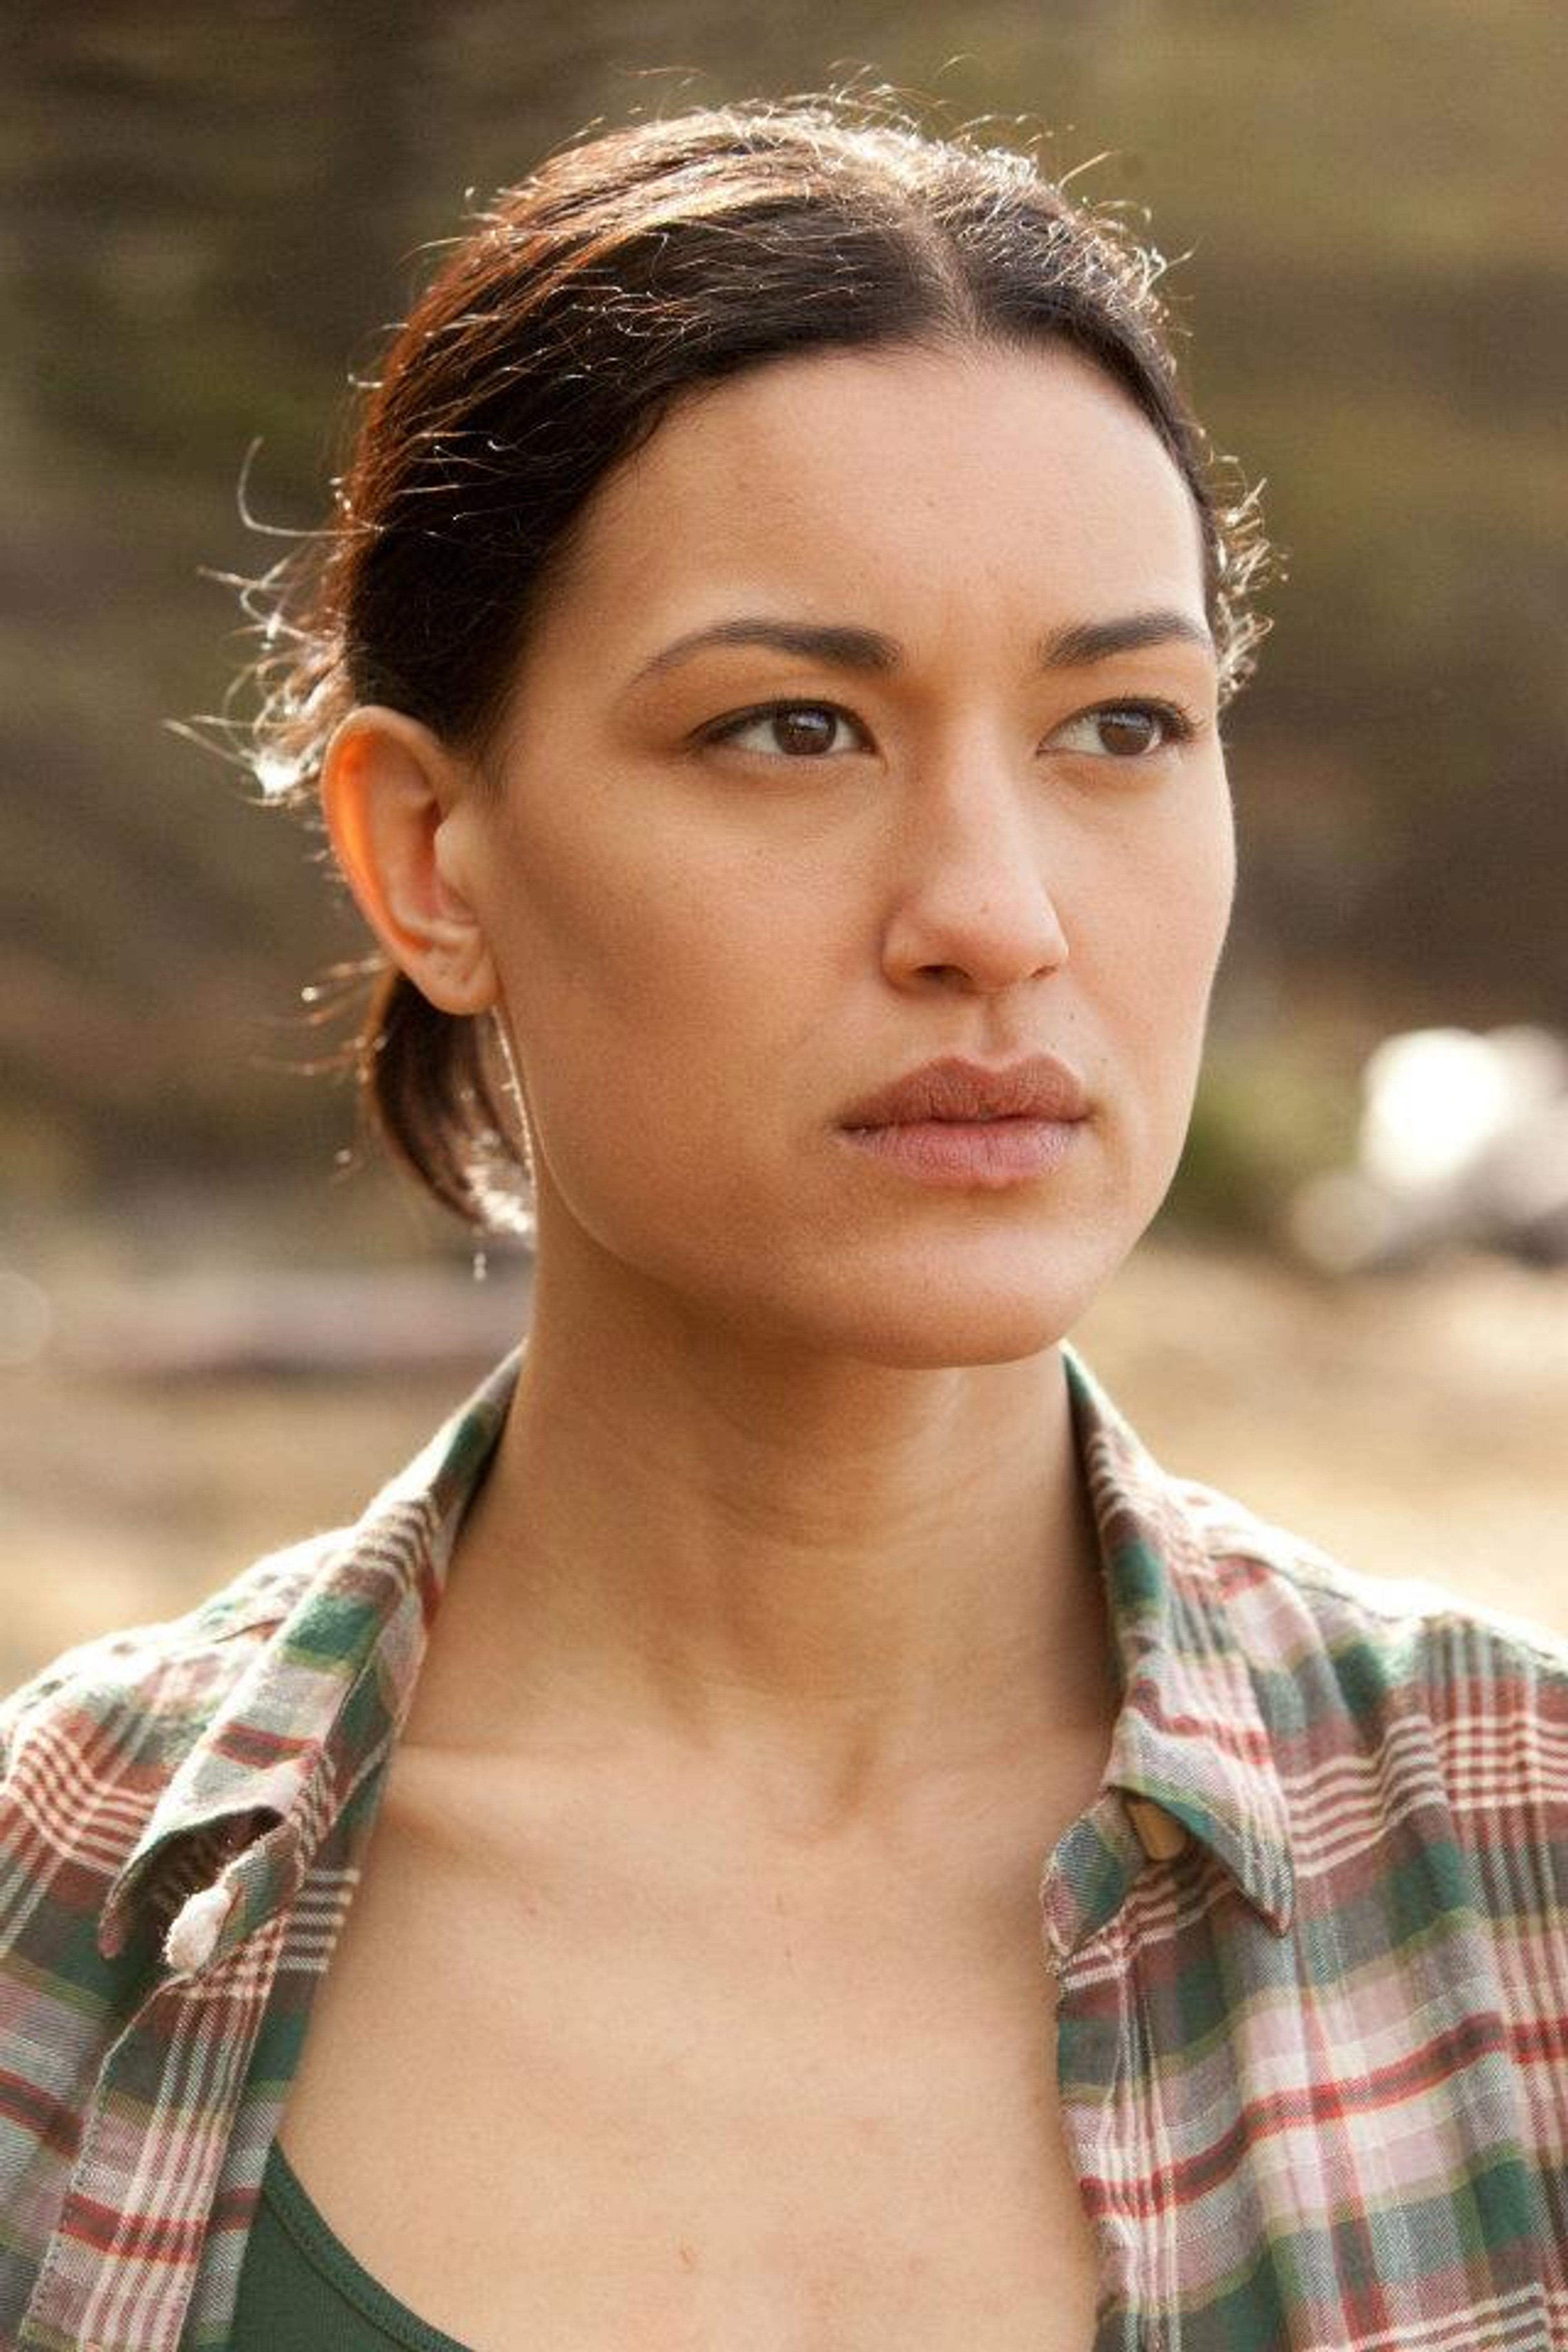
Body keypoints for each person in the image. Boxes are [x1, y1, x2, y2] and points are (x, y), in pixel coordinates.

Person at [1, 93, 1564, 2352]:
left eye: (1123, 724)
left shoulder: (1519, 1876)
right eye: (795, 731)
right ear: (431, 851)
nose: (995, 919)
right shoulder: (59, 1925)